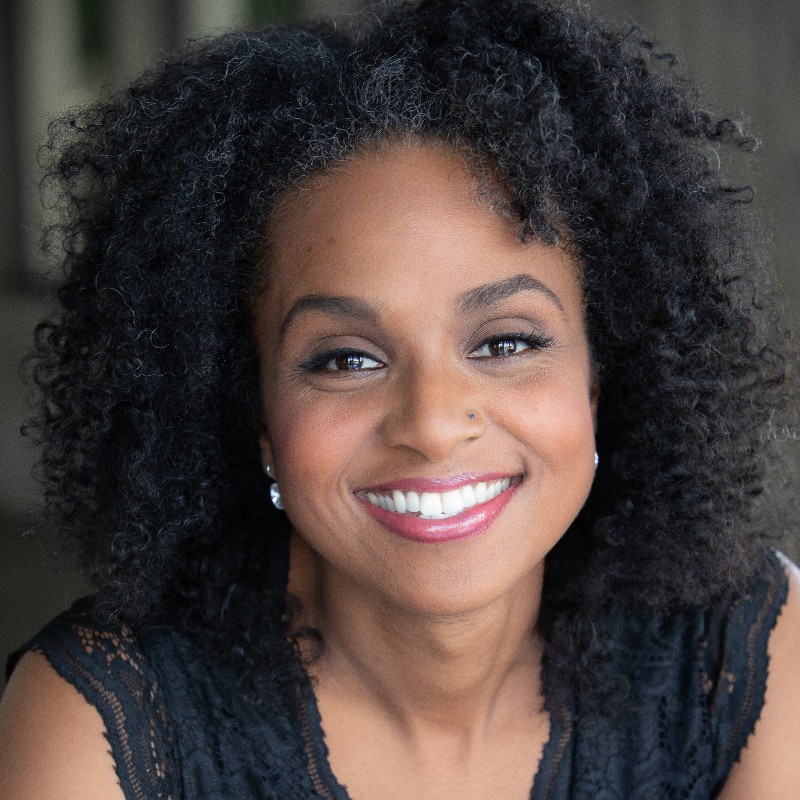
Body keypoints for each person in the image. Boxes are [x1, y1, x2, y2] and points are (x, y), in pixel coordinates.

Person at [1, 0, 799, 797]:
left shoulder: (745, 660)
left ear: (600, 373)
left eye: (506, 343)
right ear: (256, 411)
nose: (433, 423)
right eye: (347, 358)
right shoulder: (103, 721)